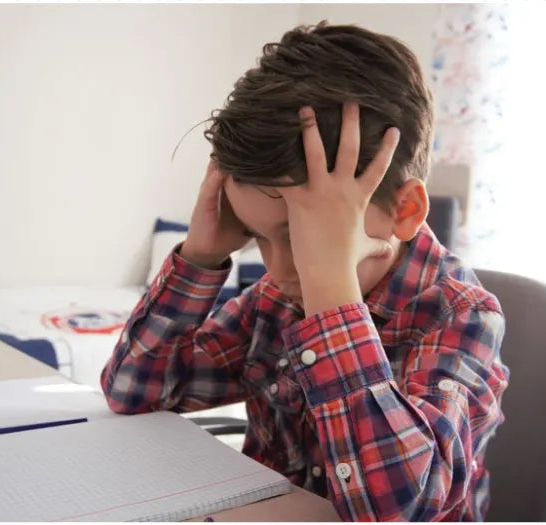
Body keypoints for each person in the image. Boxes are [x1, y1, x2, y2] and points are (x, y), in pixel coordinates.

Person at [101, 21, 509, 522]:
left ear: (403, 211)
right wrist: (200, 257)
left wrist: (332, 295)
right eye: (260, 237)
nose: (280, 267)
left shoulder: (460, 316)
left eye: (302, 237)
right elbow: (134, 392)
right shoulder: (276, 298)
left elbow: (399, 509)